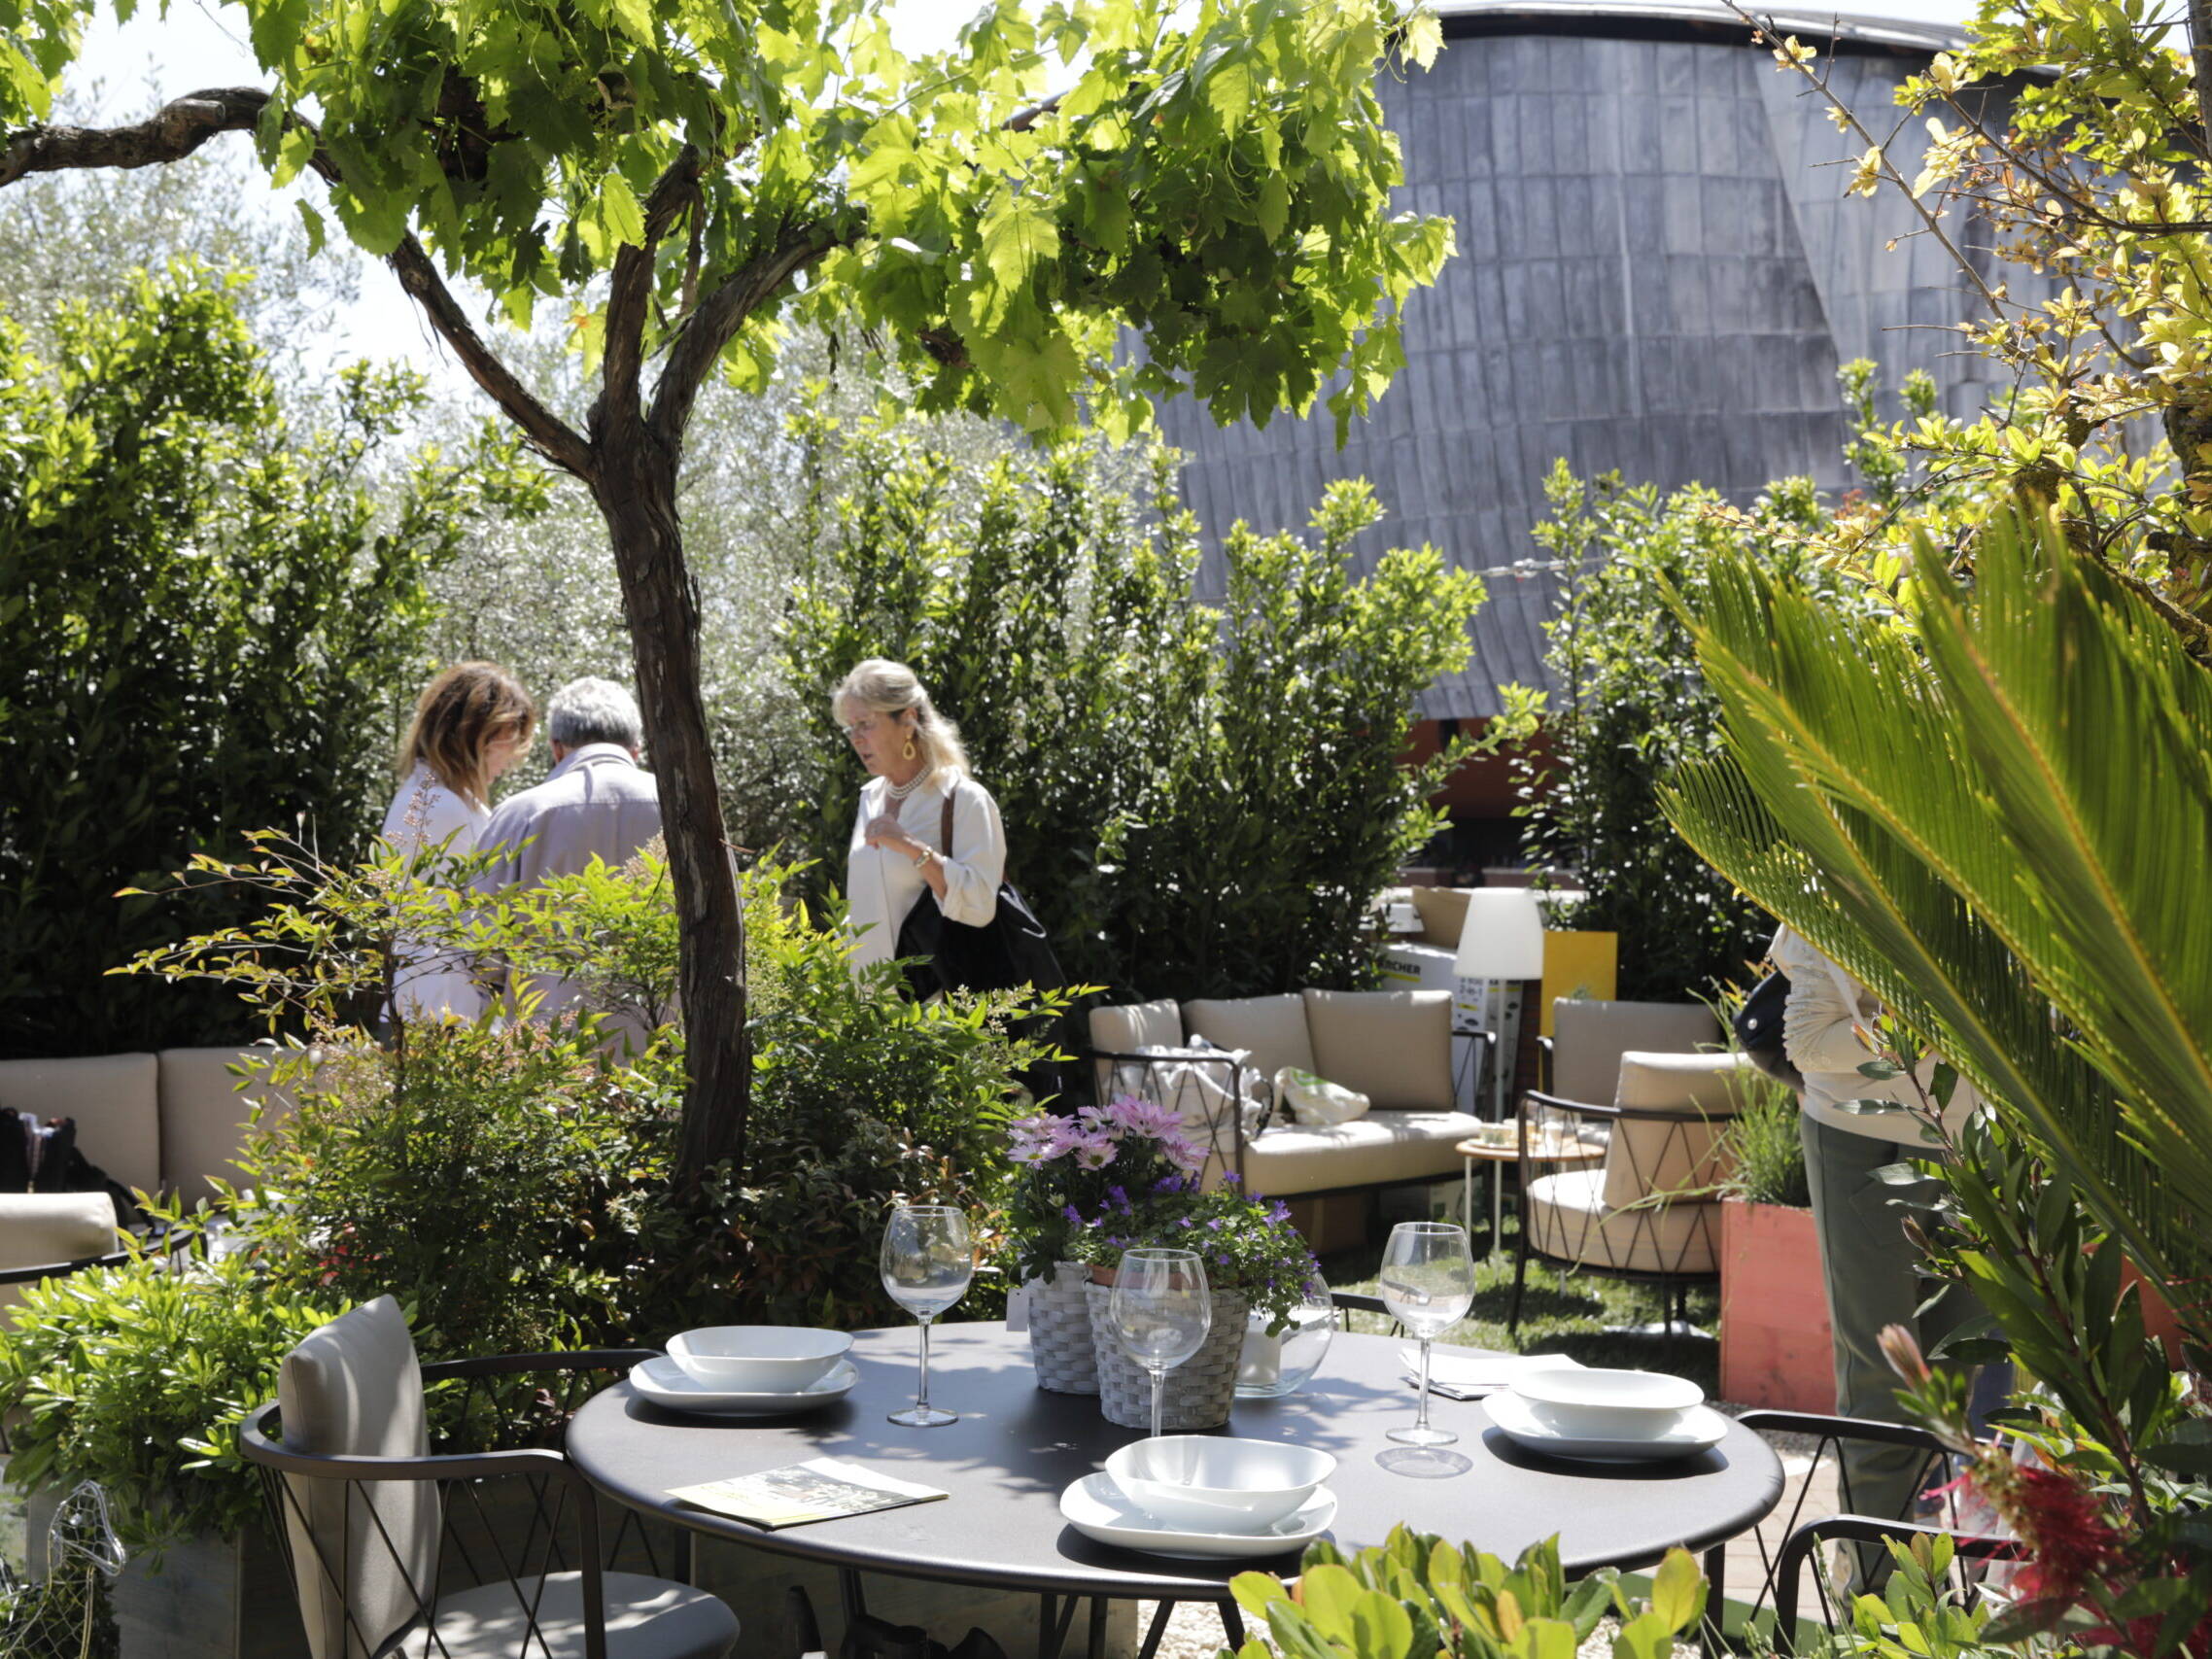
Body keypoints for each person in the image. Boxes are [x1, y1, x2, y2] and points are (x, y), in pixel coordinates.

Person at [1771, 924, 1986, 1555]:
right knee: (1882, 1389)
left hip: (1979, 1144)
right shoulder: (1838, 884)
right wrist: (1937, 1029)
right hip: (1860, 1142)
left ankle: (1916, 1592)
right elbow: (1807, 1040)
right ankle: (1871, 1601)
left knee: (1952, 1385)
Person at [478, 676, 664, 1021]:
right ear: (636, 748)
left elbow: (481, 954)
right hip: (666, 1050)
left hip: (550, 1053)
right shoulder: (685, 809)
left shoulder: (520, 814)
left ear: (556, 748)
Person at [378, 662, 536, 1020]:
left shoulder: (439, 796)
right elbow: (467, 928)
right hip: (442, 1015)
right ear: (477, 736)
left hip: (436, 1007)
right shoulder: (439, 807)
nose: (509, 762)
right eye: (508, 744)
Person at [834, 659, 1006, 978]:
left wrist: (910, 847)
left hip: (936, 1008)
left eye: (866, 724)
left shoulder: (964, 799)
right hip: (866, 1005)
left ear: (908, 719)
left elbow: (981, 905)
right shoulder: (869, 798)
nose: (856, 738)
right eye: (851, 726)